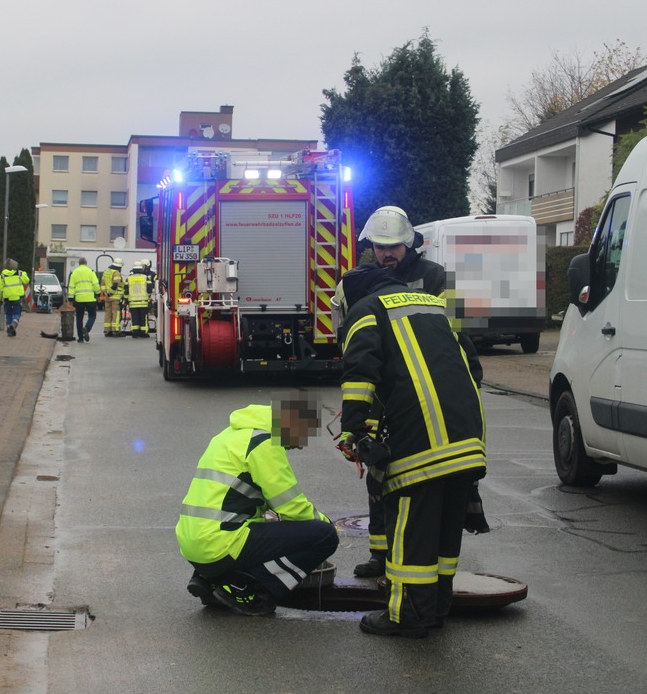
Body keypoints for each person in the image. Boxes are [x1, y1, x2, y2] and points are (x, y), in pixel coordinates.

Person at [338, 265, 486, 638]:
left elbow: (360, 373)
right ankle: (435, 608)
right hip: (467, 434)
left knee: (412, 526)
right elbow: (472, 367)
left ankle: (407, 615)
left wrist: (353, 431)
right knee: (445, 527)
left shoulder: (367, 308)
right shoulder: (434, 305)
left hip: (422, 440)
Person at [336, 205, 447, 580]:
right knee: (377, 474)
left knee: (421, 477)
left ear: (409, 244)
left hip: (423, 389)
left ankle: (413, 559)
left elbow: (455, 335)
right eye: (380, 247)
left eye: (394, 247)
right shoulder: (360, 281)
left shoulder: (434, 277)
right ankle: (380, 554)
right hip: (382, 392)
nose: (387, 254)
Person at [176, 391, 339, 617]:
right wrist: (327, 523)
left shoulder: (229, 435)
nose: (301, 445)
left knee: (265, 528)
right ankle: (246, 586)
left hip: (194, 544)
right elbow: (292, 507)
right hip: (220, 545)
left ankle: (211, 579)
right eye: (303, 435)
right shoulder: (265, 443)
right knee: (324, 536)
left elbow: (234, 497)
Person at [68, 257, 100, 342]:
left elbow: (71, 286)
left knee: (79, 318)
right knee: (92, 316)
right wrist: (98, 294)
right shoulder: (91, 271)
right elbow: (96, 284)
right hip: (90, 298)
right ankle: (86, 328)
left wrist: (70, 298)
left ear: (79, 263)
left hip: (79, 299)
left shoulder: (74, 272)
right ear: (86, 263)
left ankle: (80, 338)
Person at [0, 258, 30, 337]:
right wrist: (24, 273)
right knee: (17, 313)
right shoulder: (19, 273)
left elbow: (0, 290)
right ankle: (13, 324)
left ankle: (9, 331)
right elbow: (27, 281)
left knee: (8, 313)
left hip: (7, 298)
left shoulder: (2, 276)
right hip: (17, 298)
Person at [100, 258, 125, 337]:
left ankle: (107, 330)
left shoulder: (106, 272)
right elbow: (115, 284)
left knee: (108, 313)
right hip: (115, 297)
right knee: (116, 313)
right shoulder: (116, 273)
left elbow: (102, 284)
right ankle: (116, 330)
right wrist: (111, 293)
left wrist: (105, 293)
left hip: (108, 297)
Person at [125, 261, 150, 338]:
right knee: (143, 318)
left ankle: (135, 333)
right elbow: (149, 289)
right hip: (143, 302)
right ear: (141, 270)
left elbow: (126, 291)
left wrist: (126, 300)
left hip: (132, 302)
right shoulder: (146, 278)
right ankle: (143, 333)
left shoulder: (128, 278)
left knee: (134, 318)